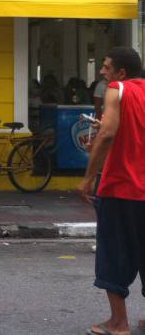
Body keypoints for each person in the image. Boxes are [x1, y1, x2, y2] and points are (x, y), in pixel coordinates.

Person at [77, 47, 145, 335]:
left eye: (106, 67)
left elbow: (108, 134)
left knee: (114, 254)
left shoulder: (116, 90)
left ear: (120, 73)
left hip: (122, 187)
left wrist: (88, 177)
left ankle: (118, 323)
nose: (102, 72)